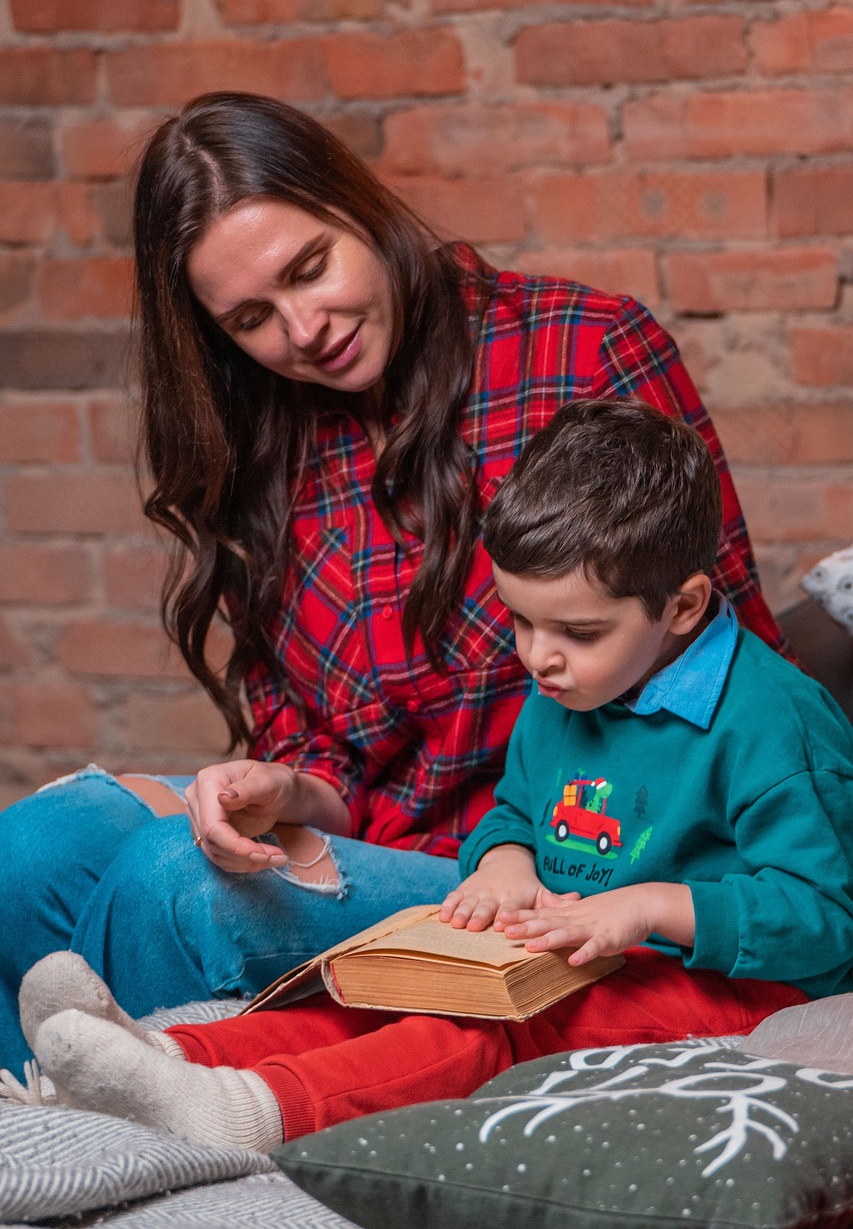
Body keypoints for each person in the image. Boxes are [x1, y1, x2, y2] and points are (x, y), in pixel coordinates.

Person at [0, 91, 786, 1079]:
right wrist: (279, 783)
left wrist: (640, 893)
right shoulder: (267, 438)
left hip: (551, 862)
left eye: (310, 268)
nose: (303, 327)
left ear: (357, 205)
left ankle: (164, 1140)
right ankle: (36, 1150)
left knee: (170, 880)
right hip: (372, 831)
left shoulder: (581, 349)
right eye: (251, 316)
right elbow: (320, 741)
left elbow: (722, 663)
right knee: (27, 850)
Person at [7, 399, 851, 1149]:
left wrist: (649, 907)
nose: (537, 658)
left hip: (721, 985)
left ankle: (251, 1110)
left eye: (577, 632)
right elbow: (517, 812)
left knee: (488, 1031)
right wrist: (506, 866)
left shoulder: (772, 720)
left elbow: (827, 916)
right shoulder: (569, 684)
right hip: (561, 951)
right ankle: (158, 1058)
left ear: (683, 606)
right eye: (519, 620)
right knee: (381, 991)